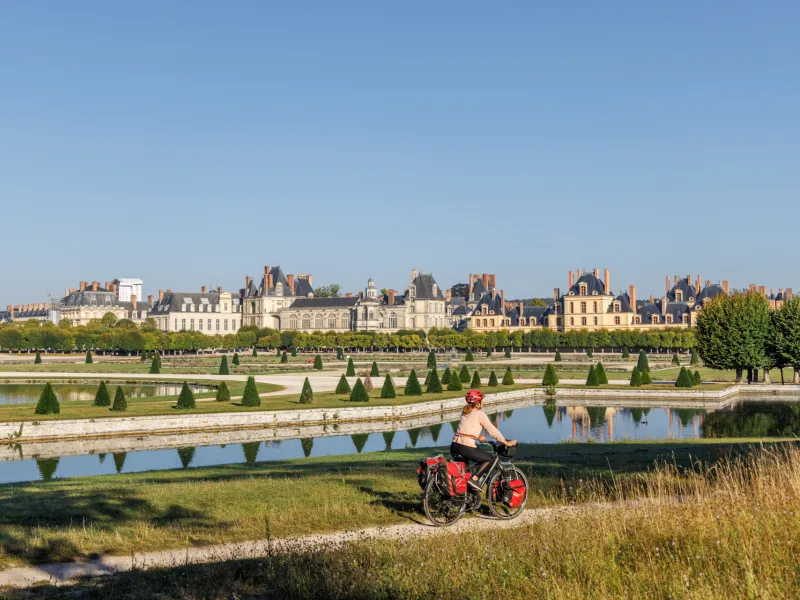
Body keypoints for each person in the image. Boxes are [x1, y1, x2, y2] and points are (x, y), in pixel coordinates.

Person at [451, 389, 517, 492]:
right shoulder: (479, 414)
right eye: (482, 400)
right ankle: (475, 479)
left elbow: (466, 428)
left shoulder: (465, 412)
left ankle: (465, 497)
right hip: (466, 447)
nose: (483, 403)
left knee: (463, 474)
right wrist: (505, 442)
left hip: (454, 445)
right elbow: (492, 430)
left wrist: (478, 436)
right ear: (478, 403)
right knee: (490, 459)